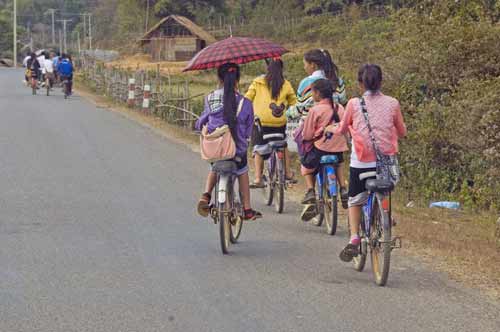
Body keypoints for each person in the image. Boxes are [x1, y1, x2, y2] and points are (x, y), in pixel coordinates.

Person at [326, 64, 406, 262]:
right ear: (381, 81)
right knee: (385, 189)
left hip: (361, 163)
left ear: (360, 84)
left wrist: (330, 128)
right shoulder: (393, 103)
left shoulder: (354, 104)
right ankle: (385, 216)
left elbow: (343, 127)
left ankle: (354, 238)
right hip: (386, 163)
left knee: (354, 200)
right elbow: (403, 132)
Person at [195, 63, 263, 221]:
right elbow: (248, 129)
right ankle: (247, 209)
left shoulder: (210, 98)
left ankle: (206, 196)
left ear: (219, 78)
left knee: (215, 165)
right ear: (238, 79)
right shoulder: (245, 103)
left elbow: (202, 121)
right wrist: (243, 140)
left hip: (216, 150)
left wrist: (200, 126)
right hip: (236, 151)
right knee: (243, 171)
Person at [299, 79, 349, 221]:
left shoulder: (315, 110)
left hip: (321, 147)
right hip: (338, 147)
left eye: (312, 91)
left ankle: (310, 191)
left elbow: (307, 134)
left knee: (306, 164)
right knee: (339, 163)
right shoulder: (340, 108)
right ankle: (343, 188)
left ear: (318, 93)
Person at [245, 57, 298, 188]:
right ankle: (287, 173)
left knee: (258, 148)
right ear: (281, 69)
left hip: (261, 124)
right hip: (280, 124)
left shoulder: (257, 82)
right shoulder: (286, 84)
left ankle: (258, 178)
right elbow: (294, 102)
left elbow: (247, 99)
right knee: (283, 144)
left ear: (267, 69)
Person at [286, 49, 347, 121]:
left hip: (311, 125)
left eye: (305, 64)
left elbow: (298, 110)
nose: (304, 67)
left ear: (312, 65)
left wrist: (286, 113)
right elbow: (343, 103)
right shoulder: (337, 81)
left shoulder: (305, 83)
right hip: (333, 125)